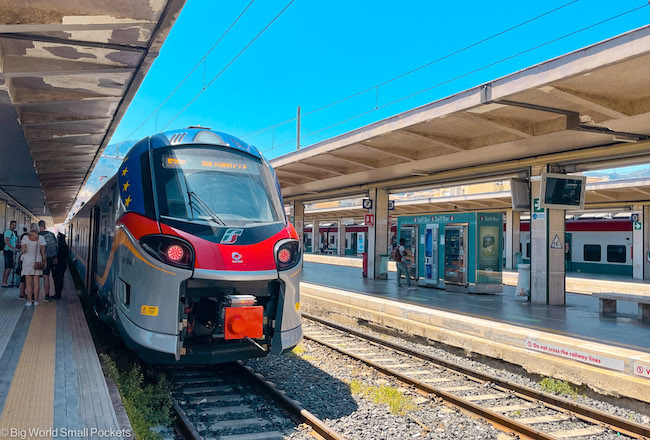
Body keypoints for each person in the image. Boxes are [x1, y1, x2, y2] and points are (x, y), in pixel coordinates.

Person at [20, 223, 47, 306]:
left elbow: (23, 251)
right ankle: (35, 301)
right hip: (37, 260)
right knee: (36, 282)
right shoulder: (41, 238)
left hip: (27, 260)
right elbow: (43, 253)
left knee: (28, 282)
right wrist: (44, 261)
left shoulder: (25, 238)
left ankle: (29, 301)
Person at [38, 221, 58, 302]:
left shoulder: (35, 235)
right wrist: (55, 257)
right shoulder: (51, 234)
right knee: (46, 276)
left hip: (37, 259)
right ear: (45, 226)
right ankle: (47, 295)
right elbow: (56, 246)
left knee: (34, 277)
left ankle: (32, 296)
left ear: (38, 226)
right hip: (49, 258)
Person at [51, 232, 69, 300]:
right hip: (63, 264)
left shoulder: (57, 246)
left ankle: (57, 293)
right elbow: (67, 256)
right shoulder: (66, 246)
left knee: (56, 279)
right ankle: (59, 293)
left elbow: (54, 255)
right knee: (61, 278)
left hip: (57, 265)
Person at [3, 220, 20, 287]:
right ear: (10, 225)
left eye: (15, 225)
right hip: (8, 250)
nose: (14, 226)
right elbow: (7, 241)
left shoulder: (13, 233)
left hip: (11, 251)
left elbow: (15, 242)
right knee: (9, 267)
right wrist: (14, 248)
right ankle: (4, 282)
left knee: (7, 267)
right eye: (13, 225)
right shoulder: (8, 232)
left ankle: (4, 281)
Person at [18, 228, 29, 299]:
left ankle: (21, 294)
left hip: (22, 261)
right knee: (28, 278)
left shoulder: (21, 244)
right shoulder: (27, 244)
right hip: (27, 261)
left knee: (22, 278)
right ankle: (29, 295)